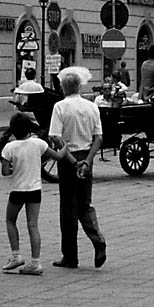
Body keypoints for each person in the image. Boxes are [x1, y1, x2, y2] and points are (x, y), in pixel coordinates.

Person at [48, 70, 107, 269]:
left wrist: (74, 162)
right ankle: (98, 239)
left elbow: (56, 137)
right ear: (80, 87)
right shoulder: (92, 107)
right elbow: (99, 137)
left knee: (68, 209)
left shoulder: (60, 107)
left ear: (64, 87)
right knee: (85, 204)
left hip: (68, 159)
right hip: (86, 156)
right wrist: (87, 161)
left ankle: (70, 256)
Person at [0, 112, 68, 275]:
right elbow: (58, 156)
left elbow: (5, 172)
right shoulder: (38, 144)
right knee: (33, 225)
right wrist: (65, 146)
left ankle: (16, 255)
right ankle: (35, 262)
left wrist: (14, 167)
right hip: (35, 190)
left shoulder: (9, 148)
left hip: (18, 189)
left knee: (10, 220)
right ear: (29, 128)